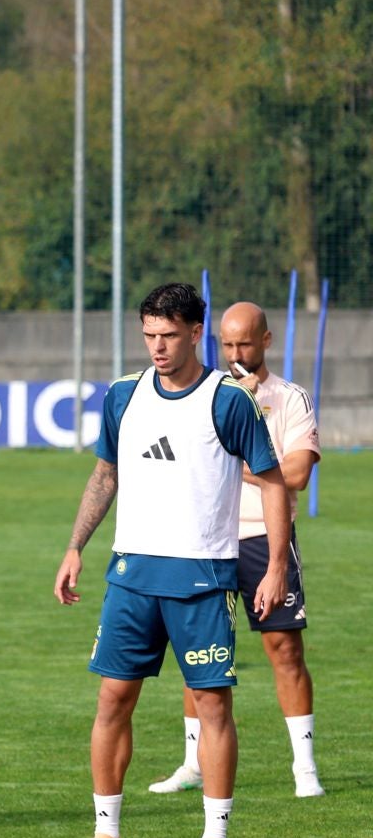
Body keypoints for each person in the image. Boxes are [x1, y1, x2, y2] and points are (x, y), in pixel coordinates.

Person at [57, 283, 289, 838]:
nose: (157, 347)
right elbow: (104, 475)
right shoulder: (123, 397)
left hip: (203, 579)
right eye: (148, 336)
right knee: (113, 699)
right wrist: (75, 547)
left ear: (194, 333)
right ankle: (106, 834)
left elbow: (272, 483)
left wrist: (278, 566)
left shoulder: (229, 400)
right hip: (131, 576)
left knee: (213, 705)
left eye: (168, 335)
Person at [148, 301, 322, 799]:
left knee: (284, 648)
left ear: (265, 341)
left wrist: (237, 457)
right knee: (197, 652)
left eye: (244, 343)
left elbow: (296, 475)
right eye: (226, 344)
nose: (235, 353)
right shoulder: (205, 395)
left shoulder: (290, 398)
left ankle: (304, 768)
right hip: (203, 539)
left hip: (263, 537)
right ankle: (191, 764)